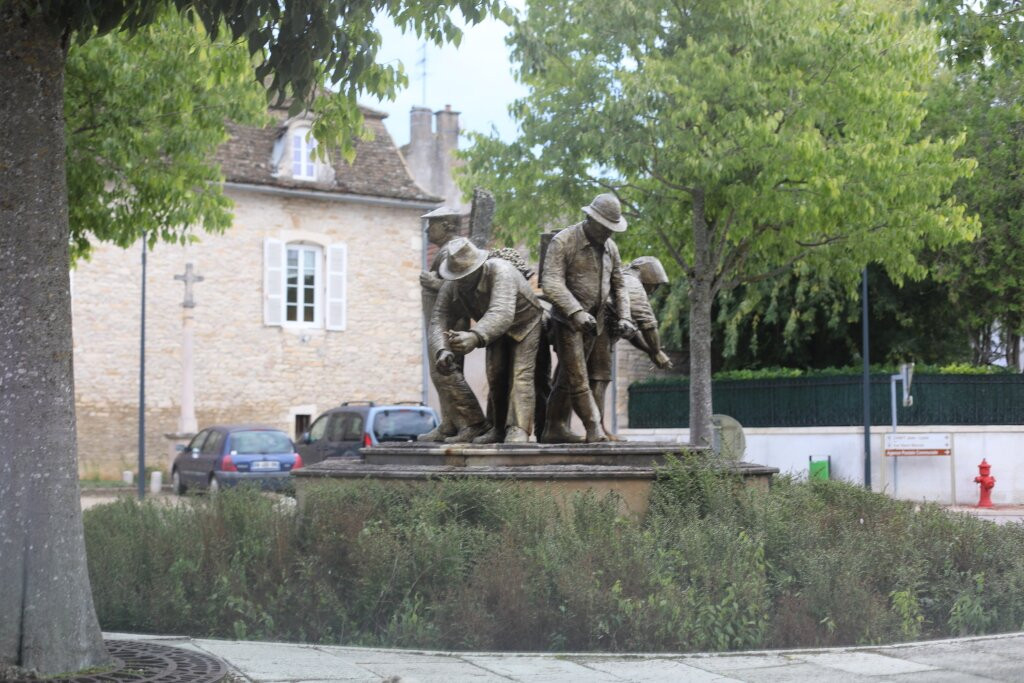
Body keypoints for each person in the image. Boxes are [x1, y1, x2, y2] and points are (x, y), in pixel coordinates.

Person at [540, 193, 636, 442]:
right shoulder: (564, 241)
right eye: (604, 227)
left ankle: (554, 427)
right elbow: (550, 282)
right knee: (577, 374)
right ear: (590, 218)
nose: (608, 233)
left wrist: (625, 316)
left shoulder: (610, 247)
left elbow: (619, 285)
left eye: (612, 229)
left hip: (599, 319)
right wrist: (575, 311)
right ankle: (593, 427)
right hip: (568, 320)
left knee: (578, 376)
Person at [430, 238, 543, 443]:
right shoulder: (453, 284)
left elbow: (502, 312)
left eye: (465, 276)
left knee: (521, 374)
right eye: (457, 276)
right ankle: (497, 428)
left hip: (524, 322)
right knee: (495, 374)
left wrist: (474, 336)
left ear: (477, 268)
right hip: (493, 327)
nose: (460, 281)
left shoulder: (502, 271)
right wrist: (442, 350)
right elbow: (438, 318)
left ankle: (518, 429)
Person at [417, 207, 489, 442]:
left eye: (433, 224)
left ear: (447, 225)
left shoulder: (454, 250)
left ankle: (470, 423)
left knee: (447, 372)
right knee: (440, 374)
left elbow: (460, 288)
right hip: (439, 323)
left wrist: (433, 283)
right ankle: (449, 423)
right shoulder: (445, 251)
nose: (428, 230)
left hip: (449, 324)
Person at [588, 255, 673, 429]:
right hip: (598, 329)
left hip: (599, 329)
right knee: (599, 378)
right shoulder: (632, 282)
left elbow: (632, 333)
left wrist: (650, 351)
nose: (654, 290)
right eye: (655, 285)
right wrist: (657, 351)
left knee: (592, 379)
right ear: (649, 275)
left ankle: (597, 428)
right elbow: (647, 322)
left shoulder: (624, 279)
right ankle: (596, 430)